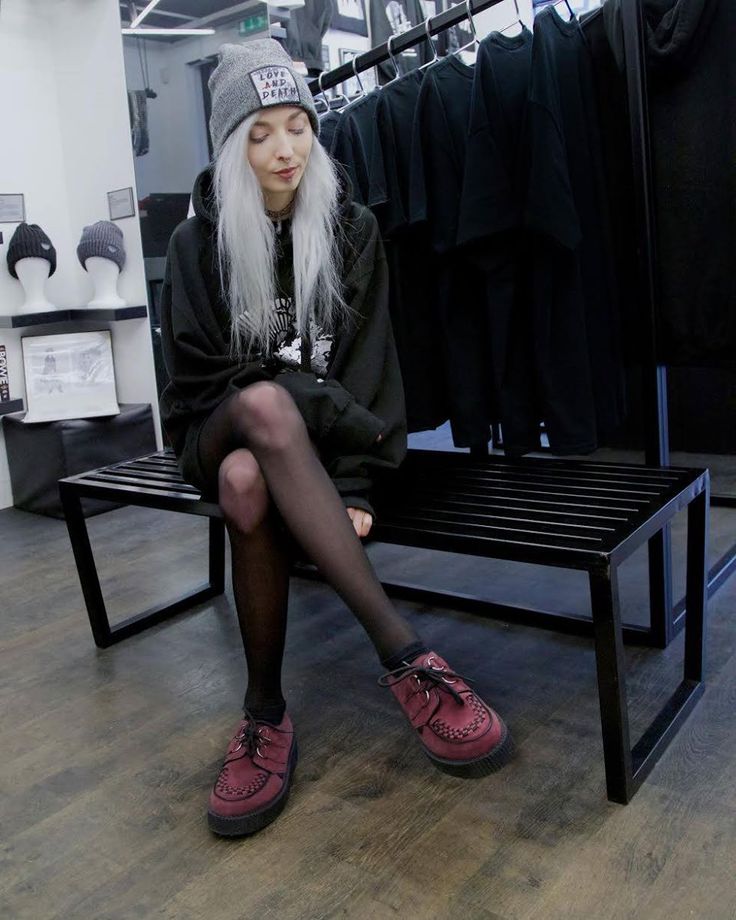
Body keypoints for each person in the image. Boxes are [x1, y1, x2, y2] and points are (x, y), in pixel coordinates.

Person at [160, 40, 512, 838]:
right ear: (229, 145)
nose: (285, 150)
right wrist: (288, 392)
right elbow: (202, 380)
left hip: (294, 456)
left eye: (298, 127)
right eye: (259, 133)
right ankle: (408, 658)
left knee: (251, 479)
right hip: (209, 429)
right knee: (260, 417)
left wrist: (351, 484)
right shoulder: (196, 246)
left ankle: (263, 716)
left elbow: (366, 365)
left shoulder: (349, 229)